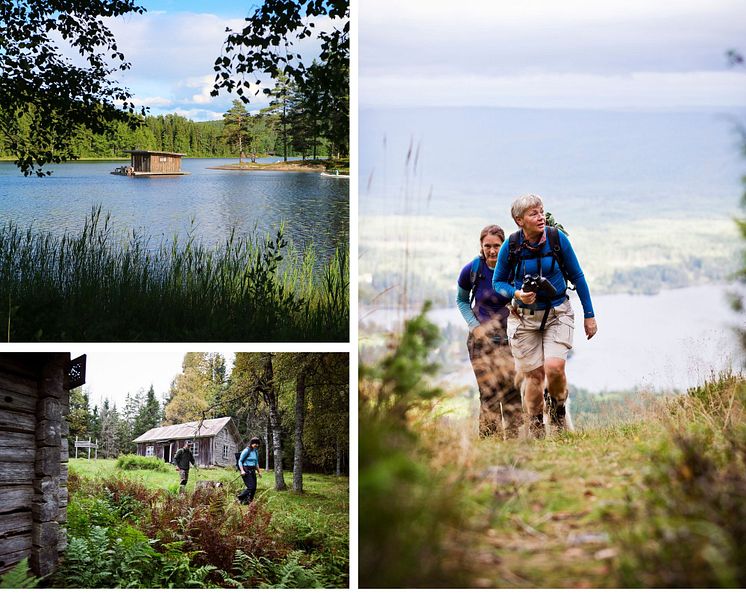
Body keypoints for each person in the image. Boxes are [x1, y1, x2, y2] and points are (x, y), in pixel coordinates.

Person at [492, 194, 597, 438]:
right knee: (535, 378)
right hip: (524, 318)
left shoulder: (556, 239)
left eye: (541, 212)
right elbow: (498, 282)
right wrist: (516, 293)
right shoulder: (512, 245)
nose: (540, 217)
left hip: (557, 313)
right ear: (520, 221)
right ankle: (537, 427)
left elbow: (578, 276)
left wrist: (589, 316)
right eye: (533, 214)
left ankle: (558, 413)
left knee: (555, 368)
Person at [457, 224, 523, 437]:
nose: (492, 251)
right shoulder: (472, 270)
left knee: (512, 391)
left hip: (510, 339)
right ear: (481, 246)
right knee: (488, 392)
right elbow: (461, 300)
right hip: (480, 341)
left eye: (497, 246)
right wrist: (474, 327)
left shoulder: (513, 269)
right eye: (488, 246)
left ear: (504, 246)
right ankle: (489, 442)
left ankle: (514, 441)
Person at [237, 437, 262, 504]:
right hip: (246, 470)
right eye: (254, 443)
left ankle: (249, 502)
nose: (256, 445)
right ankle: (239, 497)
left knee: (254, 488)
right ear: (251, 443)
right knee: (250, 487)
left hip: (252, 470)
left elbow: (256, 463)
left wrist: (259, 472)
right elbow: (240, 461)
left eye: (257, 444)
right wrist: (242, 471)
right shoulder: (246, 450)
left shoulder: (256, 451)